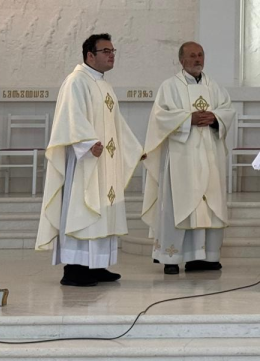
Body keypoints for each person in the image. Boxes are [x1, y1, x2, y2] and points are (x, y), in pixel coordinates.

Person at [36, 34, 143, 287]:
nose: (111, 55)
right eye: (106, 51)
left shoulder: (104, 85)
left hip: (104, 161)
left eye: (113, 50)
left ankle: (96, 265)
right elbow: (70, 117)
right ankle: (74, 269)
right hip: (84, 160)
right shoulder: (76, 81)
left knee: (102, 210)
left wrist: (134, 149)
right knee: (83, 209)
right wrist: (86, 143)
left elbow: (117, 124)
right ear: (90, 55)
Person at [142, 42, 235, 275]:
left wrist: (215, 118)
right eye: (192, 56)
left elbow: (227, 110)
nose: (197, 59)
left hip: (209, 154)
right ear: (181, 60)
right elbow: (160, 117)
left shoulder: (214, 87)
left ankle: (204, 257)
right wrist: (187, 119)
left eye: (200, 55)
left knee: (209, 202)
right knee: (180, 204)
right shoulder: (169, 87)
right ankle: (172, 257)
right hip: (180, 156)